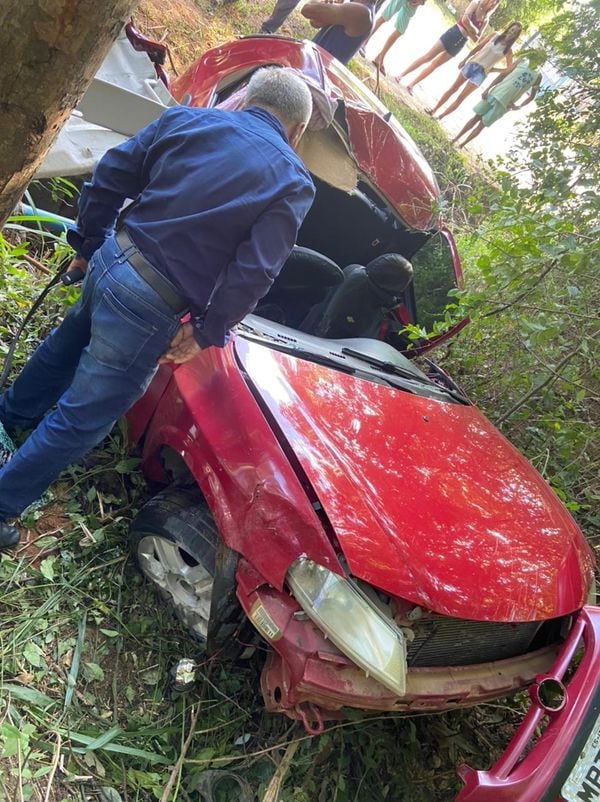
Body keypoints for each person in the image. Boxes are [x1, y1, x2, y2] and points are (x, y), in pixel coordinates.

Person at [0, 67, 314, 551]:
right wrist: (209, 330)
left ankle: (10, 415)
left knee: (64, 347)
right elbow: (255, 271)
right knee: (85, 416)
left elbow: (110, 172)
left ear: (246, 98)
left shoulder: (188, 119)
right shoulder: (292, 182)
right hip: (151, 302)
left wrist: (87, 242)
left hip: (112, 258)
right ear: (297, 130)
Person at [397, 0, 499, 93]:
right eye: (493, 0)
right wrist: (474, 30)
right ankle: (401, 75)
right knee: (427, 57)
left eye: (496, 2)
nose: (493, 3)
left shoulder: (486, 19)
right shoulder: (475, 4)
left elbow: (477, 39)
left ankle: (411, 85)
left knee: (435, 65)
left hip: (461, 43)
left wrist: (470, 29)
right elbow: (464, 20)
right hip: (453, 33)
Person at [430, 21, 522, 120]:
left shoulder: (508, 51)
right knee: (453, 88)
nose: (512, 33)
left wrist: (493, 69)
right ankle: (434, 109)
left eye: (515, 33)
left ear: (516, 36)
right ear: (509, 28)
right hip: (472, 64)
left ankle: (440, 117)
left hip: (481, 74)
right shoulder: (495, 36)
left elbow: (509, 69)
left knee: (461, 98)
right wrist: (465, 59)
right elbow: (479, 47)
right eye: (512, 30)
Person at [452, 50, 546, 146]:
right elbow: (503, 74)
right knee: (475, 118)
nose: (537, 59)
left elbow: (531, 96)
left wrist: (519, 106)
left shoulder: (538, 76)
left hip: (504, 105)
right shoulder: (521, 62)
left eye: (541, 58)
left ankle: (462, 145)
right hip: (495, 94)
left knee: (482, 125)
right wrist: (488, 89)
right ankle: (455, 139)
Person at [303, 0, 377, 65]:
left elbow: (307, 10)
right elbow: (315, 23)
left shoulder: (362, 13)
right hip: (313, 63)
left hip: (316, 70)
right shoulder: (362, 9)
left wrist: (323, 6)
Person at [366, 0, 427, 75]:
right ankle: (363, 42)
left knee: (400, 30)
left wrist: (423, 1)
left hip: (413, 3)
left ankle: (380, 57)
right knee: (385, 17)